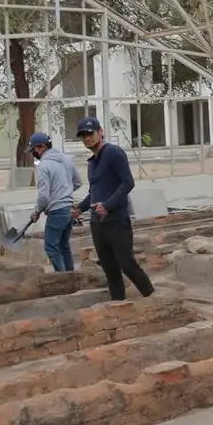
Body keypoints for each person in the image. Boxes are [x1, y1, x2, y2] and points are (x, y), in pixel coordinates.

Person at [72, 117, 155, 301]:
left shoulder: (113, 153)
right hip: (98, 225)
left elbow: (128, 183)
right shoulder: (92, 162)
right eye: (83, 136)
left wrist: (108, 205)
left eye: (90, 133)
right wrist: (80, 209)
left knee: (128, 265)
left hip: (116, 223)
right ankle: (118, 306)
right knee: (110, 270)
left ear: (101, 132)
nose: (87, 138)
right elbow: (95, 192)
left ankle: (153, 299)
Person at [27, 132, 83, 272]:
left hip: (57, 212)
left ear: (41, 147)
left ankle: (63, 279)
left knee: (51, 247)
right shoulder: (66, 159)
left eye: (34, 149)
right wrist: (65, 192)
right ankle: (72, 278)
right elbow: (78, 182)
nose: (33, 153)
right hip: (68, 211)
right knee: (64, 246)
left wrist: (36, 211)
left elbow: (44, 196)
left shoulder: (44, 166)